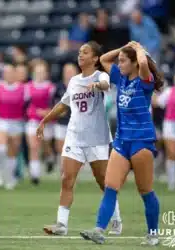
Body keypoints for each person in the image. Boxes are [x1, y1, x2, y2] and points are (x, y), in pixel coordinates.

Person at [80, 41, 164, 246]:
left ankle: (153, 234)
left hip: (141, 141)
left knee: (145, 191)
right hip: (122, 140)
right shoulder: (121, 78)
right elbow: (103, 59)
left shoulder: (145, 80)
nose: (119, 64)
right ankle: (99, 230)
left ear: (134, 63)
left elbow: (143, 63)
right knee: (110, 186)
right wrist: (125, 47)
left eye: (123, 61)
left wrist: (138, 50)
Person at [38, 41, 122, 236]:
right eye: (79, 52)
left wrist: (97, 85)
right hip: (74, 136)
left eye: (85, 52)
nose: (80, 55)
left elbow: (106, 84)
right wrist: (45, 120)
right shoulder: (74, 81)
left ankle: (116, 220)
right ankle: (61, 225)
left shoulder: (100, 75)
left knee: (104, 182)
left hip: (97, 137)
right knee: (67, 179)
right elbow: (63, 104)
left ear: (95, 58)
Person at [0, 64, 26, 189]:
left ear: (15, 74)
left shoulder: (23, 88)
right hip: (2, 121)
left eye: (11, 72)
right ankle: (0, 172)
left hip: (17, 122)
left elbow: (26, 105)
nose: (8, 75)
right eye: (6, 72)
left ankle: (10, 177)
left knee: (12, 153)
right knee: (1, 149)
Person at [26, 61, 56, 184]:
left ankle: (49, 158)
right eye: (38, 72)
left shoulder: (51, 87)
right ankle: (35, 175)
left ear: (46, 73)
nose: (40, 74)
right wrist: (35, 112)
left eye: (42, 72)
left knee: (46, 146)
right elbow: (26, 106)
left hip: (47, 121)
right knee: (34, 147)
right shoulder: (28, 87)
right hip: (33, 120)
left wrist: (47, 113)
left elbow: (55, 105)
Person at [52, 63, 78, 171]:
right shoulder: (58, 87)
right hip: (61, 122)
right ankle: (63, 173)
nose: (68, 74)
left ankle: (72, 173)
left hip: (76, 124)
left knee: (73, 150)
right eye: (66, 71)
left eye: (71, 71)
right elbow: (53, 103)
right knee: (61, 149)